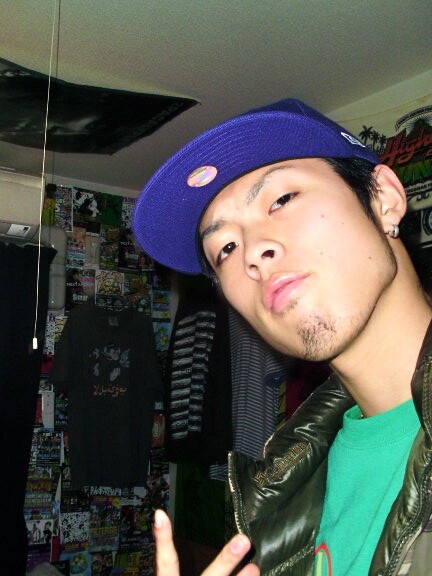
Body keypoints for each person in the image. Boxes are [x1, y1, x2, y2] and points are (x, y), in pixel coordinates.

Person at [132, 99, 432, 575]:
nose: (252, 252)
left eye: (282, 200)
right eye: (225, 247)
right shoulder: (286, 489)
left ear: (384, 199)